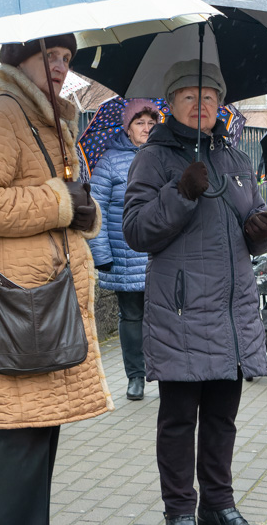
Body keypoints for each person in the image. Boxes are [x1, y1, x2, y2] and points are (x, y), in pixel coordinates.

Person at [0, 34, 112, 525]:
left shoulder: (48, 119)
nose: (61, 66)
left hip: (46, 304)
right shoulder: (3, 112)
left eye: (67, 57)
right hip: (23, 308)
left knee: (39, 438)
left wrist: (81, 209)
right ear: (19, 59)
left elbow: (58, 199)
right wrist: (60, 202)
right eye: (51, 56)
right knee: (23, 444)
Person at [123, 60, 267, 525]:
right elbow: (136, 231)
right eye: (189, 96)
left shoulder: (234, 157)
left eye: (209, 96)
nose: (201, 104)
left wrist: (262, 231)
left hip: (232, 312)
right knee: (177, 421)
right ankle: (180, 511)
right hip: (182, 310)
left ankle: (218, 502)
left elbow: (257, 227)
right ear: (170, 104)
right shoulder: (153, 157)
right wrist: (180, 193)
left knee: (222, 418)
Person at [89, 99, 159, 401]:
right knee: (132, 317)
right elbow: (97, 209)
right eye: (140, 123)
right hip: (125, 255)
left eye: (151, 123)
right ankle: (135, 376)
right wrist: (101, 254)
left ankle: (165, 372)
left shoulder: (164, 156)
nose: (146, 128)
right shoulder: (109, 162)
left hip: (160, 254)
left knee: (164, 318)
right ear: (127, 127)